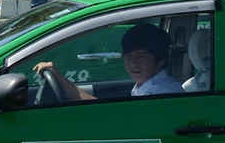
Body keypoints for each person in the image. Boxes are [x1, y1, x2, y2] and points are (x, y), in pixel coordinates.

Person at [33, 22, 184, 100]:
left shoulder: (162, 93)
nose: (133, 63)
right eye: (129, 56)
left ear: (160, 61)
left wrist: (59, 78)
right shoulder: (147, 84)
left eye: (141, 56)